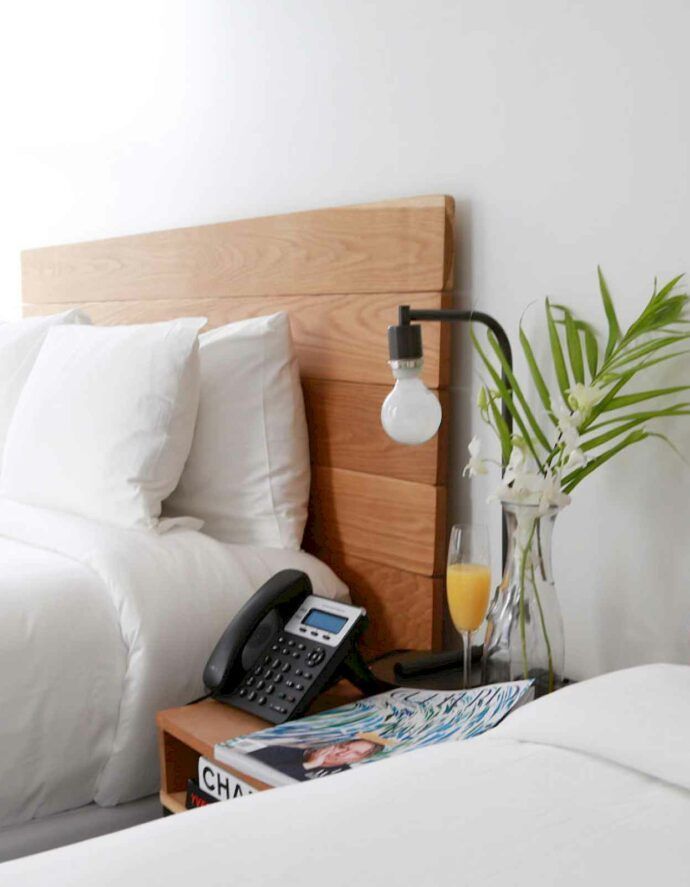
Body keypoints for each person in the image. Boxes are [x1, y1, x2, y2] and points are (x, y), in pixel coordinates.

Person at [247, 735, 387, 782]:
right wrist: (309, 765)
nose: (343, 754)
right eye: (344, 747)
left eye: (355, 753)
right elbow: (250, 773)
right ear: (335, 744)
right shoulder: (279, 751)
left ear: (358, 760)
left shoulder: (345, 775)